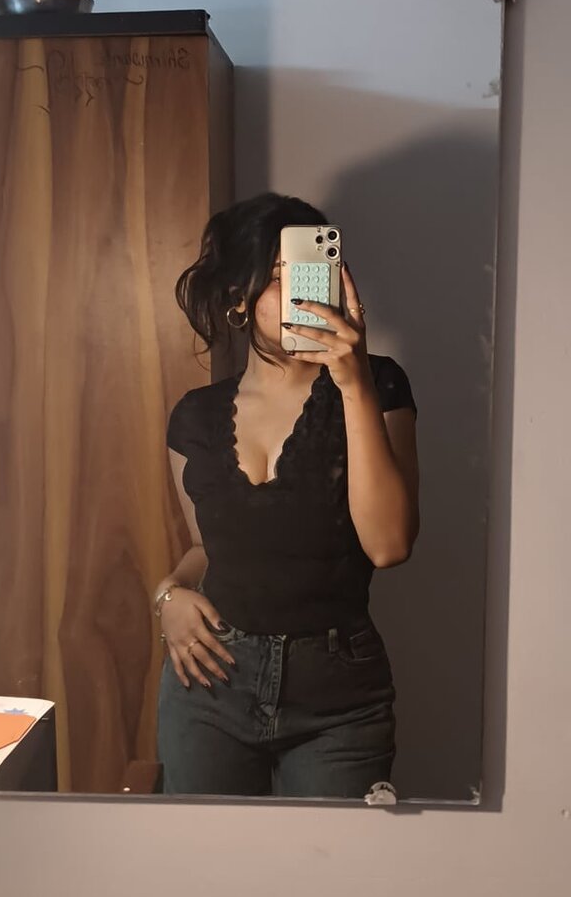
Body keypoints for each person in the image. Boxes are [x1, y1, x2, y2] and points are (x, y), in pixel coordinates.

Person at [154, 193, 419, 798]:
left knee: (331, 860)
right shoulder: (195, 417)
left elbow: (389, 546)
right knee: (207, 855)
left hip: (338, 696)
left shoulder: (379, 383)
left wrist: (352, 381)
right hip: (210, 680)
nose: (303, 291)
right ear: (238, 298)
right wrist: (168, 595)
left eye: (311, 272)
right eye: (279, 277)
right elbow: (206, 549)